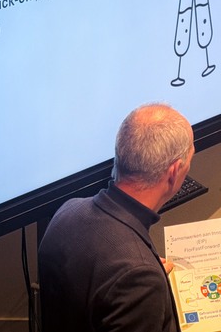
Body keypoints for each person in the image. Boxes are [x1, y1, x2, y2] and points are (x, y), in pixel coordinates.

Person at [39, 103, 195, 332]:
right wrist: (146, 283)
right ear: (174, 172)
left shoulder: (66, 213)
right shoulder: (139, 276)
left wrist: (146, 275)